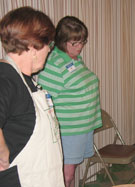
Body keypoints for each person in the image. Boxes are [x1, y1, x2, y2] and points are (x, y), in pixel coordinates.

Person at [0, 7, 65, 187]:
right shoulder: (5, 78)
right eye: (49, 45)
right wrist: (2, 152)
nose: (49, 51)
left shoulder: (25, 80)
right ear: (34, 47)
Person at [38, 16, 102, 187]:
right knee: (66, 176)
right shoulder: (54, 63)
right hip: (67, 130)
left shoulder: (73, 59)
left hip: (80, 127)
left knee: (69, 173)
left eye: (82, 41)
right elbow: (44, 101)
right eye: (75, 43)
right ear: (62, 40)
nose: (80, 47)